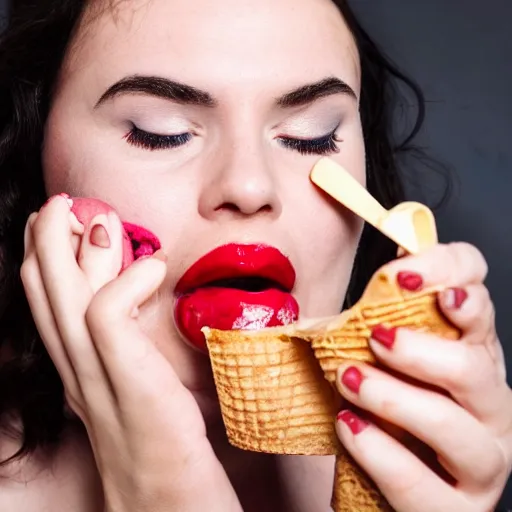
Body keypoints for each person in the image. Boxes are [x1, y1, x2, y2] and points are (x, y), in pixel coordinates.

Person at [0, 0, 510, 510]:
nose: (248, 187)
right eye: (160, 132)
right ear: (29, 152)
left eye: (312, 137)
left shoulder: (411, 472)